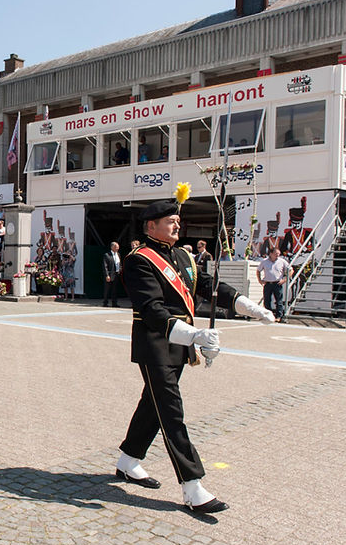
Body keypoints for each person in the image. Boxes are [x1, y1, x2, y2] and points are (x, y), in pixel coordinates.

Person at [116, 199, 274, 514]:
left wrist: (246, 305)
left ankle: (128, 460)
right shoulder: (138, 260)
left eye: (178, 220)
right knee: (171, 411)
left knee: (154, 405)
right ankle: (193, 486)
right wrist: (196, 335)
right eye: (170, 221)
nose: (177, 225)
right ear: (151, 226)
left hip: (180, 345)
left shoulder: (183, 255)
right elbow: (152, 310)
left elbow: (208, 286)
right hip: (156, 344)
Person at [257, 247, 292, 321]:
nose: (277, 255)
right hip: (268, 283)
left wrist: (285, 279)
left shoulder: (282, 261)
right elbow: (258, 270)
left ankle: (279, 316)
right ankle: (267, 315)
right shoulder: (264, 261)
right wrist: (260, 280)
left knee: (279, 300)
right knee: (267, 300)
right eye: (276, 254)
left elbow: (291, 270)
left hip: (277, 283)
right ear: (271, 253)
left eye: (279, 254)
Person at [102, 241, 122, 307]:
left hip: (116, 274)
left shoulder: (118, 254)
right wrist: (107, 275)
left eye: (118, 247)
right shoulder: (107, 255)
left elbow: (119, 264)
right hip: (110, 274)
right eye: (116, 247)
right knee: (107, 289)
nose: (117, 248)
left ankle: (114, 303)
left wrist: (120, 269)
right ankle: (105, 302)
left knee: (115, 290)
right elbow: (105, 266)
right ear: (112, 247)